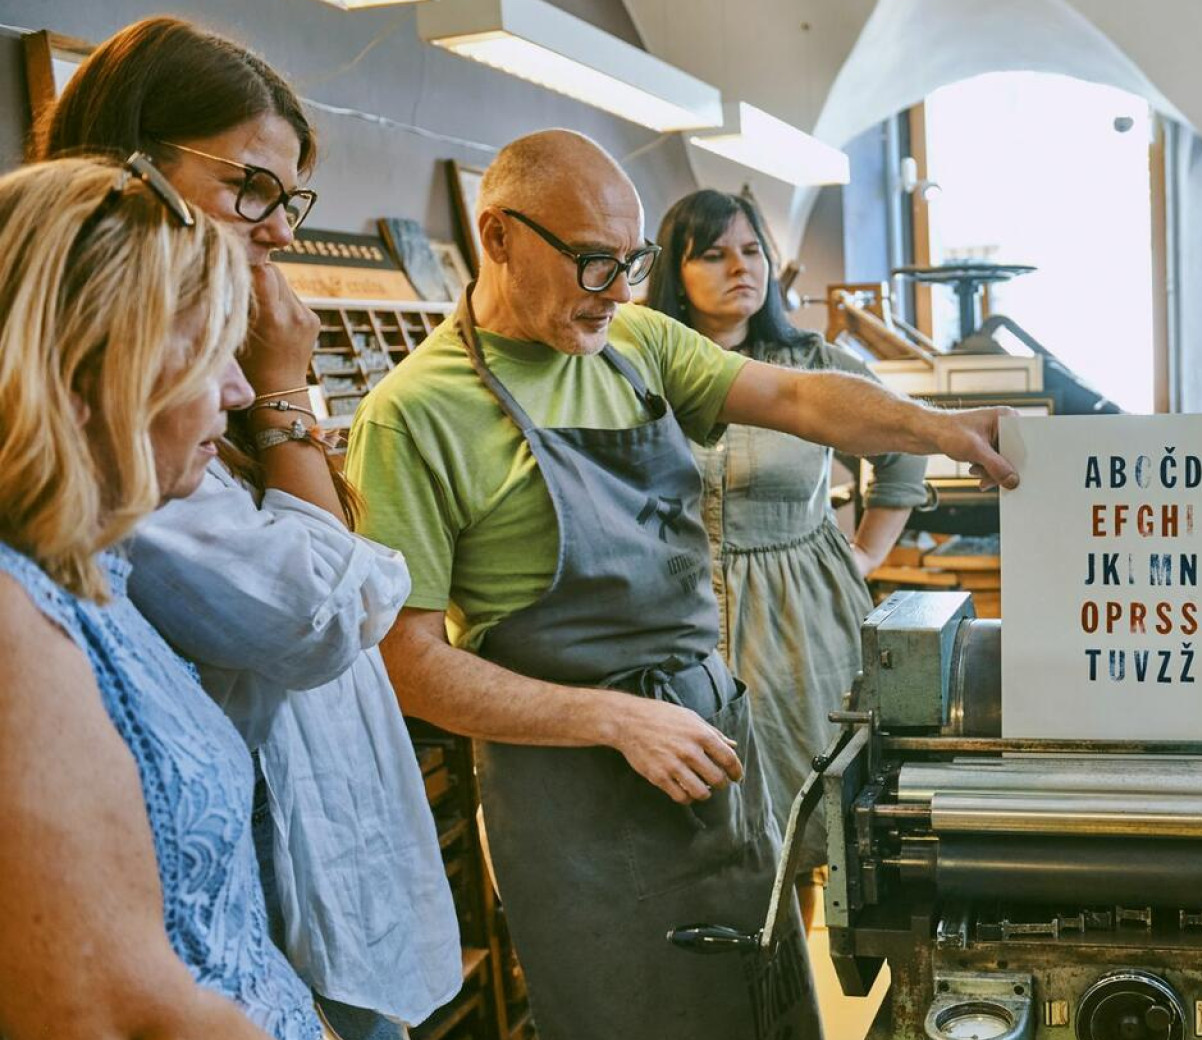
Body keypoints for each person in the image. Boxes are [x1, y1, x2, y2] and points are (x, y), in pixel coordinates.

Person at [346, 128, 1015, 1040]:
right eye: (591, 262)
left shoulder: (636, 343)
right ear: (496, 236)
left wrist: (933, 427)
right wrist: (612, 719)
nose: (617, 290)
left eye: (631, 261)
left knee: (763, 1005)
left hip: (708, 748)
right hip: (576, 790)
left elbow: (794, 398)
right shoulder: (414, 416)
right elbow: (410, 665)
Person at [40, 18, 463, 1039]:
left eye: (288, 196)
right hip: (260, 908)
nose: (277, 227)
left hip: (324, 873)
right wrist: (282, 395)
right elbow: (319, 613)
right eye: (250, 187)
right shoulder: (110, 412)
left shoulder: (198, 390)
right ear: (133, 170)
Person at [0, 155, 318, 1040]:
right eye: (212, 349)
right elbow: (113, 1012)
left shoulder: (84, 572)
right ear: (93, 367)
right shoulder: (8, 621)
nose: (242, 389)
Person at [647, 188, 929, 926]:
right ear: (676, 271)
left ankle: (786, 991)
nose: (740, 268)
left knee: (798, 818)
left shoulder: (813, 363)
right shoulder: (643, 366)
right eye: (712, 254)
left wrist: (862, 558)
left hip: (798, 617)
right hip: (674, 610)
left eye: (752, 251)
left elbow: (901, 460)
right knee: (693, 815)